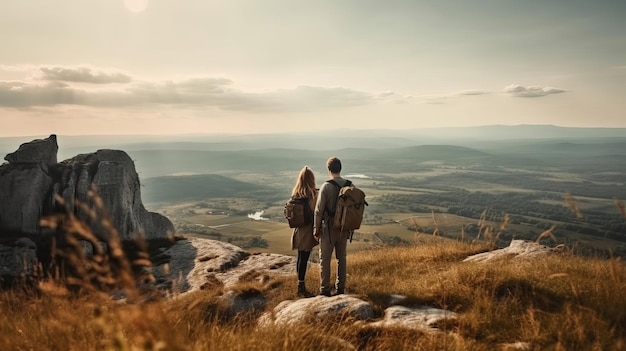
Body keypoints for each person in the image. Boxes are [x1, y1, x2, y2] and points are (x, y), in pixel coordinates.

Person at [313, 157, 350, 296]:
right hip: (344, 229)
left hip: (328, 229)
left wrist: (316, 230)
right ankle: (341, 288)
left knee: (325, 259)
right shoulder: (350, 186)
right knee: (342, 257)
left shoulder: (326, 186)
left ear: (329, 169)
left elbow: (318, 211)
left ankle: (325, 289)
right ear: (340, 168)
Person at [290, 166, 319, 297]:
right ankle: (300, 287)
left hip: (298, 231)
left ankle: (299, 283)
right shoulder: (313, 195)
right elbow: (316, 212)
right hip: (308, 232)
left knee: (300, 258)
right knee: (304, 258)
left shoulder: (295, 194)